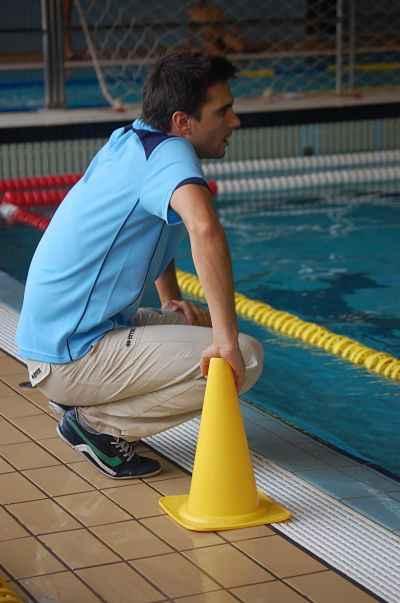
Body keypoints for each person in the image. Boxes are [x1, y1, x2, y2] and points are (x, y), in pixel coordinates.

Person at [16, 51, 264, 480]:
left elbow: (152, 224)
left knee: (198, 326)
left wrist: (171, 300)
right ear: (183, 122)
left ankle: (84, 402)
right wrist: (225, 341)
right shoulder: (170, 155)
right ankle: (98, 425)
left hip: (57, 342)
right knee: (243, 355)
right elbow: (204, 230)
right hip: (72, 354)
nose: (234, 121)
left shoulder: (131, 141)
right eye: (223, 111)